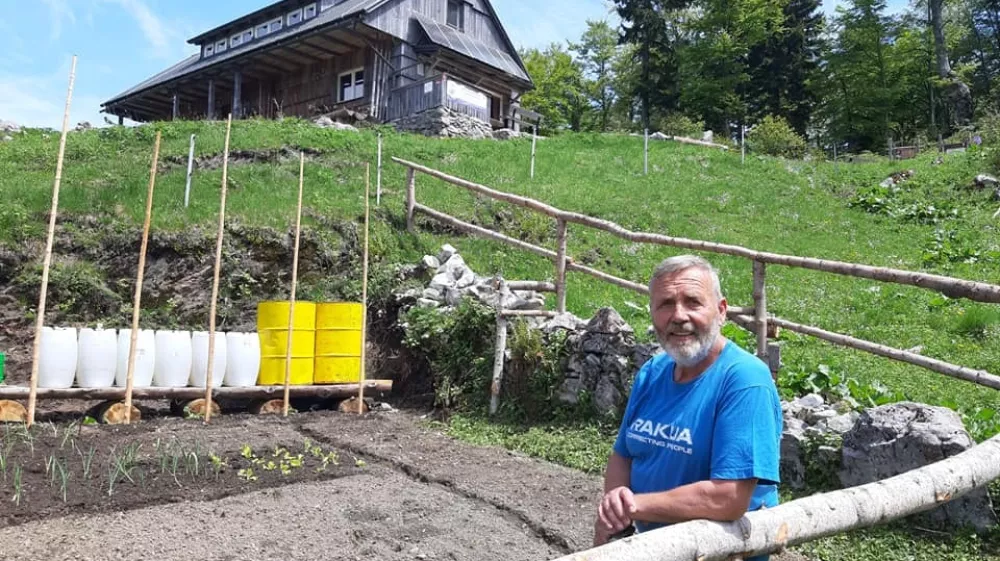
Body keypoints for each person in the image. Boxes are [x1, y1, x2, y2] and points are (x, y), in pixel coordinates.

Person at [593, 255, 782, 561]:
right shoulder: (654, 371)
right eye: (666, 304)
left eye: (693, 302)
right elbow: (622, 455)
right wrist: (615, 505)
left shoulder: (744, 381)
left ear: (721, 311)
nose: (678, 315)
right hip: (653, 549)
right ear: (652, 312)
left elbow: (729, 498)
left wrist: (634, 506)